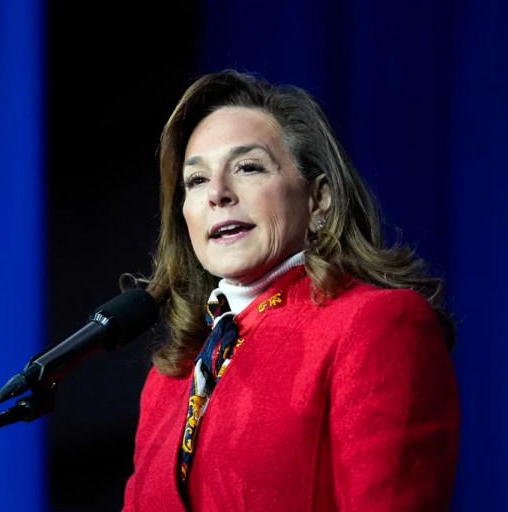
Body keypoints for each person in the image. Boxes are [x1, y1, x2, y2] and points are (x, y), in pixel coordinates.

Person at [120, 68, 460, 511]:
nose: (217, 193)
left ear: (318, 199)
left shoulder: (375, 324)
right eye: (196, 180)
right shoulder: (170, 379)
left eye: (248, 167)